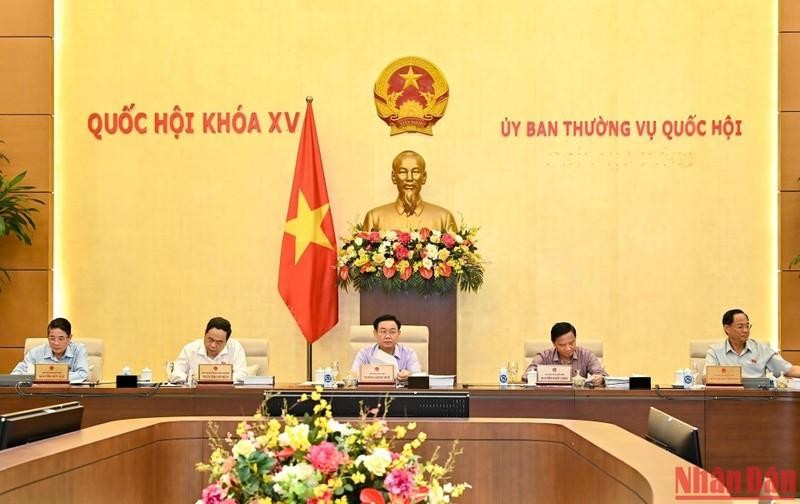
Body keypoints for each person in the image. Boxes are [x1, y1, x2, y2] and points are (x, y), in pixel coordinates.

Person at [362, 150, 457, 231]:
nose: (409, 178)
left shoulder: (444, 218)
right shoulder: (374, 218)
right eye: (402, 172)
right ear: (394, 177)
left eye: (415, 172)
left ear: (424, 177)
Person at [705, 309, 800, 378]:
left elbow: (788, 369)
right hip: (727, 399)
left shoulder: (761, 349)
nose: (746, 330)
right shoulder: (715, 351)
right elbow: (706, 378)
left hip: (757, 399)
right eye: (740, 327)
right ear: (727, 328)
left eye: (747, 326)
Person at [522, 322, 606, 385]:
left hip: (578, 400)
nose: (568, 348)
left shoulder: (586, 355)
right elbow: (525, 377)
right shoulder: (544, 357)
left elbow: (603, 376)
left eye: (571, 343)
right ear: (554, 343)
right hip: (550, 399)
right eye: (562, 345)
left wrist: (600, 379)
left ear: (575, 339)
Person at [169, 316, 248, 383]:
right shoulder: (191, 349)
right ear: (205, 334)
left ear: (226, 341)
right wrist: (193, 379)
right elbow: (176, 373)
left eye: (219, 342)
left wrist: (218, 379)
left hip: (226, 395)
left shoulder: (235, 348)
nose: (213, 345)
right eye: (210, 339)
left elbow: (242, 375)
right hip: (197, 395)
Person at [11, 317, 89, 382]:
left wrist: (48, 375)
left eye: (61, 339)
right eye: (52, 338)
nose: (56, 343)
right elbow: (15, 375)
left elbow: (83, 374)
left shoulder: (78, 350)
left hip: (69, 394)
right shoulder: (35, 353)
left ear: (69, 338)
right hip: (40, 395)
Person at [350, 314, 422, 380]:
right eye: (383, 332)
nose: (387, 336)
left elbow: (417, 376)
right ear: (375, 333)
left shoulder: (408, 353)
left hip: (399, 393)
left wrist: (409, 376)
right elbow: (354, 375)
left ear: (399, 334)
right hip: (372, 393)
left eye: (392, 332)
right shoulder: (364, 353)